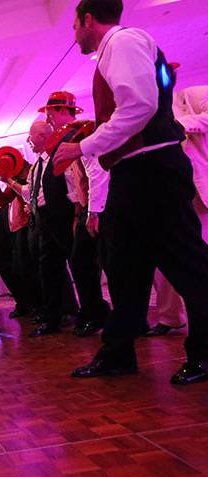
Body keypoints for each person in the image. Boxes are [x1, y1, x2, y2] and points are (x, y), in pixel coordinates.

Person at [53, 0, 208, 384]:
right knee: (123, 266)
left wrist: (82, 146)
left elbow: (139, 107)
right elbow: (155, 93)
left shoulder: (122, 43)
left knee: (187, 264)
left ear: (88, 20)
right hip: (132, 172)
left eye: (74, 27)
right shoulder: (124, 48)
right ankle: (118, 351)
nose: (74, 36)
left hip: (151, 171)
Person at [41, 91, 111, 337]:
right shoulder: (62, 139)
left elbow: (95, 172)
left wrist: (91, 210)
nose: (48, 118)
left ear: (61, 110)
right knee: (83, 264)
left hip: (96, 209)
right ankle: (94, 312)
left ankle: (101, 313)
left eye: (50, 113)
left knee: (99, 263)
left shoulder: (82, 133)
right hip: (83, 209)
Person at [3, 121, 80, 337]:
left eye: (31, 136)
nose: (29, 140)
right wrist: (8, 181)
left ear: (43, 136)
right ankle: (53, 317)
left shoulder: (59, 158)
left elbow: (73, 187)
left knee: (77, 265)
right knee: (49, 269)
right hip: (44, 220)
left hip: (62, 217)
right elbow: (30, 193)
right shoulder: (37, 166)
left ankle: (82, 312)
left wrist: (76, 216)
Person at [146, 86, 208, 337]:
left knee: (200, 254)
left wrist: (178, 125)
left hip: (199, 188)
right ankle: (170, 317)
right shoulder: (143, 109)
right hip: (167, 190)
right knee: (165, 256)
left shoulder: (194, 94)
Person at [0, 148, 37, 317]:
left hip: (29, 224)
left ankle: (38, 306)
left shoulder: (30, 172)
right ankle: (34, 306)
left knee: (30, 268)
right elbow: (3, 201)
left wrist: (8, 180)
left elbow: (27, 193)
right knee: (22, 269)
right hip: (19, 228)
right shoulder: (15, 179)